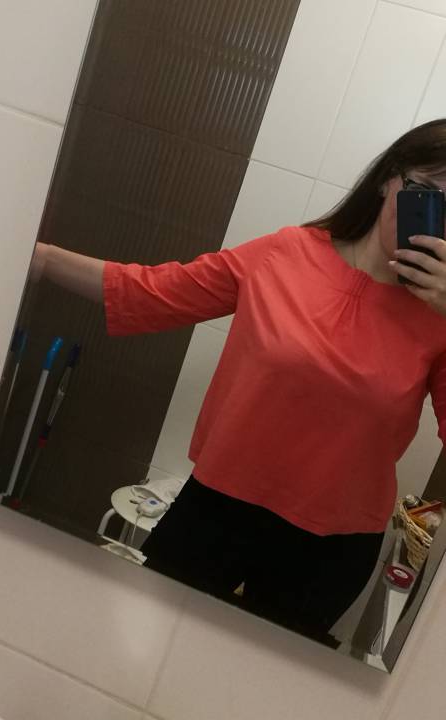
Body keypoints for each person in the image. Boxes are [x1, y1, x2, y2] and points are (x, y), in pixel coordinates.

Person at [32, 119, 446, 645]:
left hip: (332, 548)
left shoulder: (439, 317)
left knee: (246, 687)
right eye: (426, 195)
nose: (434, 221)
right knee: (125, 646)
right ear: (389, 179)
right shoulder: (287, 252)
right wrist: (40, 258)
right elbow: (153, 291)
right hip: (217, 508)